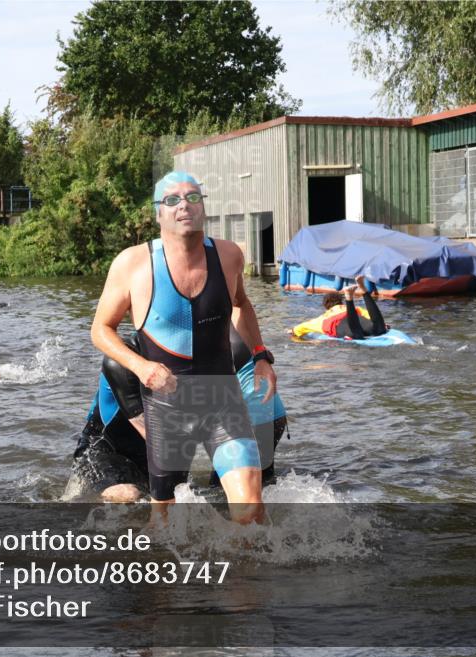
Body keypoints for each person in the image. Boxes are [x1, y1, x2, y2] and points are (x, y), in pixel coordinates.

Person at [91, 171, 275, 525]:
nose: (184, 206)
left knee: (250, 509)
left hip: (222, 401)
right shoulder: (132, 263)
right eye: (172, 200)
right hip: (167, 411)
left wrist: (260, 355)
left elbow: (241, 304)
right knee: (164, 524)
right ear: (157, 212)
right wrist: (142, 367)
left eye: (192, 197)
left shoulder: (229, 255)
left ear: (203, 207)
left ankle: (250, 564)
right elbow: (101, 330)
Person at [69, 328, 288, 503]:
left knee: (224, 499)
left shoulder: (202, 361)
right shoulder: (124, 362)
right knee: (129, 495)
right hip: (105, 453)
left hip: (158, 451)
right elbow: (154, 435)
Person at [291, 276, 388, 340]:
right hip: (356, 317)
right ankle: (362, 288)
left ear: (326, 307)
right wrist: (384, 325)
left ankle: (349, 297)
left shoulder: (324, 317)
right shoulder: (357, 309)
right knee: (380, 329)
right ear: (341, 302)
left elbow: (304, 326)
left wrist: (293, 331)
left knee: (356, 335)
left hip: (344, 325)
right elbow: (370, 315)